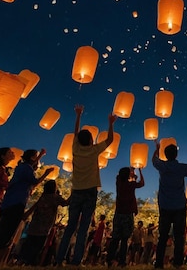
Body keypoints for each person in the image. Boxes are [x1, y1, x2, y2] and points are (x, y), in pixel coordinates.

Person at [56, 105, 117, 266]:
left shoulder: (75, 148)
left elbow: (76, 133)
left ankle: (59, 259)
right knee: (83, 229)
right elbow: (110, 140)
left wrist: (78, 115)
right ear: (91, 140)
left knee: (70, 226)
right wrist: (110, 123)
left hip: (76, 191)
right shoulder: (93, 150)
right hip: (90, 192)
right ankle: (76, 261)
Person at [0, 148, 52, 265]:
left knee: (1, 231)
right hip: (16, 204)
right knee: (7, 233)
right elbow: (35, 182)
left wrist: (40, 155)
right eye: (36, 157)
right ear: (32, 158)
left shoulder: (21, 167)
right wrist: (46, 174)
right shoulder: (27, 169)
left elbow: (31, 164)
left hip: (8, 203)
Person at [152, 141, 187, 269]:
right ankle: (178, 263)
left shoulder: (162, 166)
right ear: (176, 154)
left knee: (163, 236)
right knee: (179, 236)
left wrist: (157, 149)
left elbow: (153, 159)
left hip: (164, 205)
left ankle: (159, 263)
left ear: (166, 155)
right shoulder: (183, 167)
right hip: (179, 206)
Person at [19, 179, 69, 265]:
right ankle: (32, 263)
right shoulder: (54, 197)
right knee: (38, 247)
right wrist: (74, 193)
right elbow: (65, 203)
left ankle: (23, 261)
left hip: (34, 226)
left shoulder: (43, 197)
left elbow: (34, 207)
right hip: (44, 228)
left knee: (29, 245)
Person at [107, 167, 145, 267]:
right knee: (124, 240)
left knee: (115, 238)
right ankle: (122, 261)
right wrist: (139, 171)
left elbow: (120, 176)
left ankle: (110, 259)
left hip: (118, 213)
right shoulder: (131, 185)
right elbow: (142, 183)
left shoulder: (119, 183)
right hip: (128, 215)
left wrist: (131, 174)